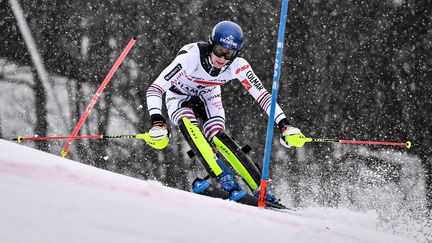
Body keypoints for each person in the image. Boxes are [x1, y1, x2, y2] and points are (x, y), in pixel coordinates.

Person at [143, 20, 305, 203]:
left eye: (230, 53)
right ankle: (225, 179)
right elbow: (155, 89)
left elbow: (264, 97)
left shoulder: (238, 65)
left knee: (218, 136)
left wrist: (285, 125)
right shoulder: (190, 57)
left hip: (209, 96)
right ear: (211, 44)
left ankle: (260, 188)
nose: (223, 58)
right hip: (179, 97)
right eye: (220, 50)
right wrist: (157, 121)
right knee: (190, 127)